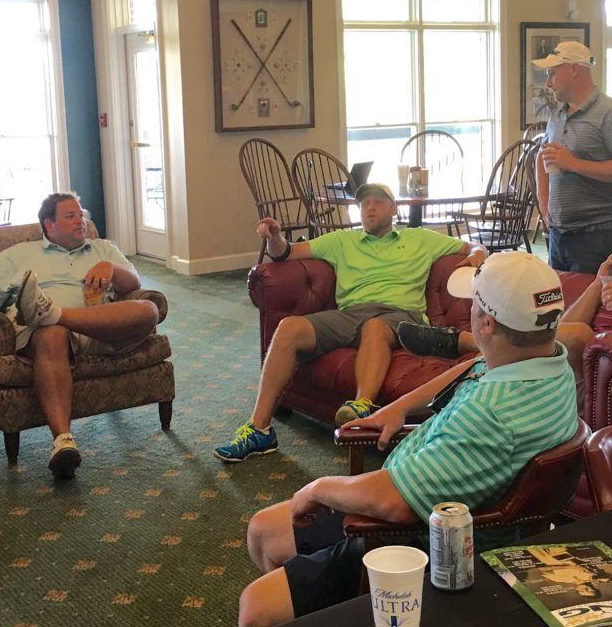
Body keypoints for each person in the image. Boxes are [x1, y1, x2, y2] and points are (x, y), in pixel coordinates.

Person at [237, 251, 579, 627]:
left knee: (256, 607)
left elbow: (396, 503)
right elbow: (473, 365)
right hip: (421, 503)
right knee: (263, 530)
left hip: (414, 541)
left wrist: (317, 487)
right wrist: (399, 407)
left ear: (487, 324)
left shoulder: (495, 415)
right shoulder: (547, 362)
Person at [213, 182, 488, 463]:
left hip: (402, 315)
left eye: (378, 201)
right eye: (364, 202)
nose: (369, 207)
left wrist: (477, 255)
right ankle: (259, 430)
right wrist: (274, 237)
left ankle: (362, 406)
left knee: (375, 327)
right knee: (289, 328)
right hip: (350, 314)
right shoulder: (342, 240)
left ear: (393, 208)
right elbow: (286, 253)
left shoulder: (421, 238)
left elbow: (478, 245)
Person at [396, 210, 612, 393]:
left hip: (599, 372)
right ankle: (469, 354)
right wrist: (599, 283)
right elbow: (565, 325)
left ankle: (465, 342)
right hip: (559, 363)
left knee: (579, 338)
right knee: (556, 338)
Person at [0, 192, 159, 479]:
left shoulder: (102, 248)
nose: (80, 222)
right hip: (51, 336)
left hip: (101, 328)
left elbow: (133, 283)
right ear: (49, 225)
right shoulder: (20, 254)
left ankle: (52, 312)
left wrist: (111, 268)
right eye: (70, 216)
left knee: (148, 309)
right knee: (51, 334)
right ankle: (63, 441)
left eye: (81, 216)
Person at [533, 41, 612, 273]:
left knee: (597, 306)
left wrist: (574, 164)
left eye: (552, 73)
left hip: (599, 236)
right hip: (559, 235)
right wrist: (545, 209)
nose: (548, 83)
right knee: (561, 305)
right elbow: (541, 159)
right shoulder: (558, 114)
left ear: (574, 69)